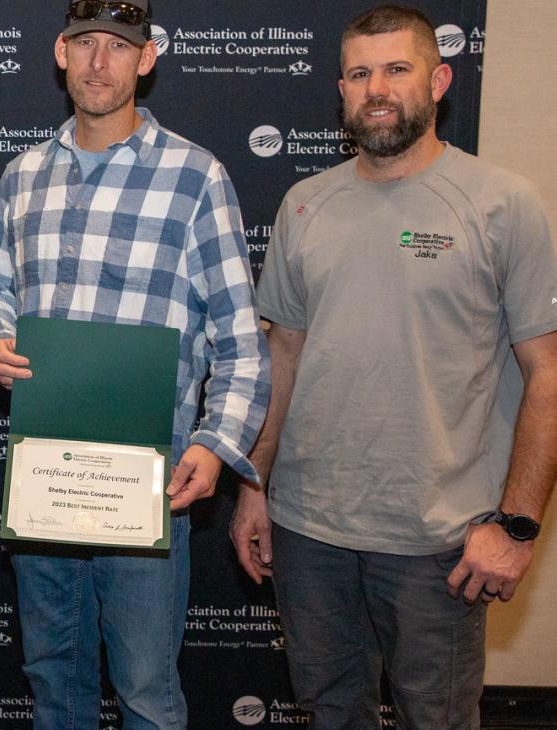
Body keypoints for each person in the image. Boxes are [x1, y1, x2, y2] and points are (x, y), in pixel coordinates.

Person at [229, 5, 557, 729]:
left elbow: (549, 376)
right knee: (329, 714)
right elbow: (283, 354)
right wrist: (255, 488)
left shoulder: (504, 205)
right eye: (359, 72)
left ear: (438, 81)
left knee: (436, 719)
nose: (377, 87)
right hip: (309, 532)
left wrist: (519, 525)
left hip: (439, 541)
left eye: (397, 69)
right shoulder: (304, 205)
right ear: (341, 90)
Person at [0, 2, 270, 728]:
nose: (99, 60)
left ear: (147, 58)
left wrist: (213, 444)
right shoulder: (23, 176)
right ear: (60, 52)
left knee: (145, 689)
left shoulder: (196, 177)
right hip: (44, 476)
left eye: (117, 46)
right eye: (84, 44)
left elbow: (239, 339)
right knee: (53, 684)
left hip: (147, 482)